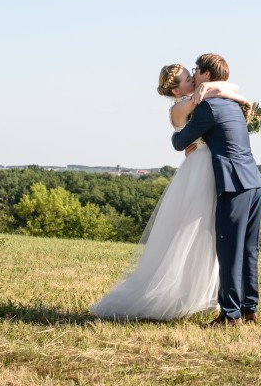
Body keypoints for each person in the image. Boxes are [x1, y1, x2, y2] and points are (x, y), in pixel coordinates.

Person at [88, 62, 251, 321]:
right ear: (176, 90)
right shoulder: (180, 107)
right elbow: (214, 98)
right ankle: (175, 295)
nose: (192, 81)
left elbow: (226, 89)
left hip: (214, 169)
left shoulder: (199, 95)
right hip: (199, 172)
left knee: (211, 234)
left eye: (191, 76)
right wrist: (208, 91)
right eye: (187, 79)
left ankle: (207, 295)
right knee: (190, 232)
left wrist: (226, 93)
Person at [172, 53, 261, 326]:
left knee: (229, 251)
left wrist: (180, 132)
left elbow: (180, 142)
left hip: (234, 184)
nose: (193, 76)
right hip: (254, 182)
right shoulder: (231, 104)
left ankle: (230, 315)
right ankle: (250, 310)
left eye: (196, 72)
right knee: (249, 250)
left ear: (206, 75)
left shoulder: (208, 108)